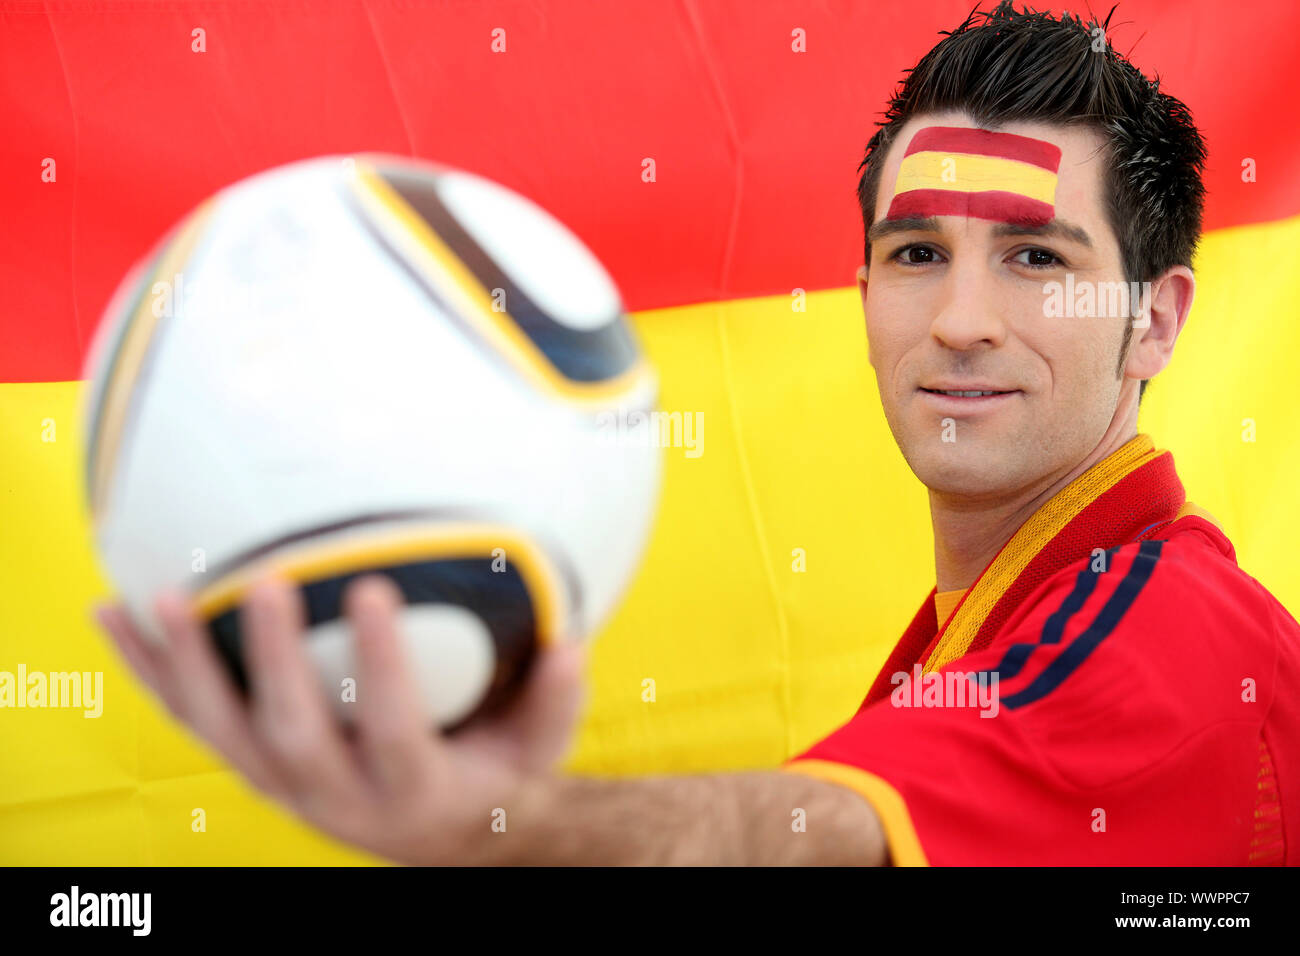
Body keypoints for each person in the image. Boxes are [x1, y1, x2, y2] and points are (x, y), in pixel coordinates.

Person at [97, 2, 1299, 865]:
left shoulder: (1155, 645)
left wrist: (498, 825)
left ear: (1154, 318)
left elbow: (810, 842)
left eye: (1036, 259)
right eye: (915, 254)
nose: (961, 322)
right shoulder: (1014, 612)